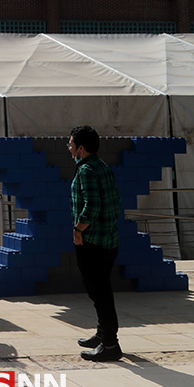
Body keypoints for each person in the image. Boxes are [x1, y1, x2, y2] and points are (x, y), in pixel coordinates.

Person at [69, 125, 123, 361]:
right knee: (101, 290)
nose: (68, 148)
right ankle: (103, 335)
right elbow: (114, 200)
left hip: (93, 241)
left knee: (99, 292)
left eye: (71, 144)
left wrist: (78, 229)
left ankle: (110, 345)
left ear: (81, 148)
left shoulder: (86, 171)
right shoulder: (102, 166)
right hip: (109, 239)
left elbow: (92, 206)